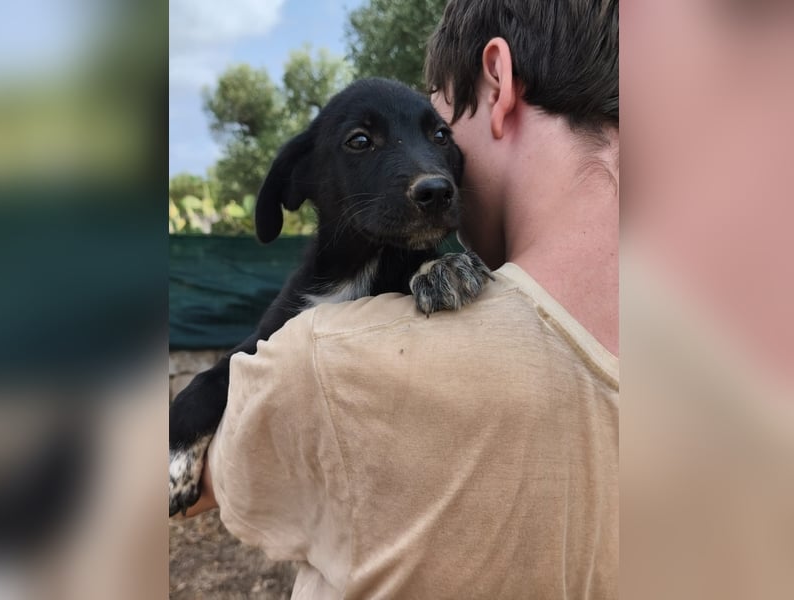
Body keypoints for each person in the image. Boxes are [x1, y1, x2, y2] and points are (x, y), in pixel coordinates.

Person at [182, 0, 619, 598]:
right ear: (303, 177)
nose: (432, 170)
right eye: (363, 141)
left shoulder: (321, 363)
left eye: (439, 131)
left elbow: (186, 496)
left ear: (499, 79)